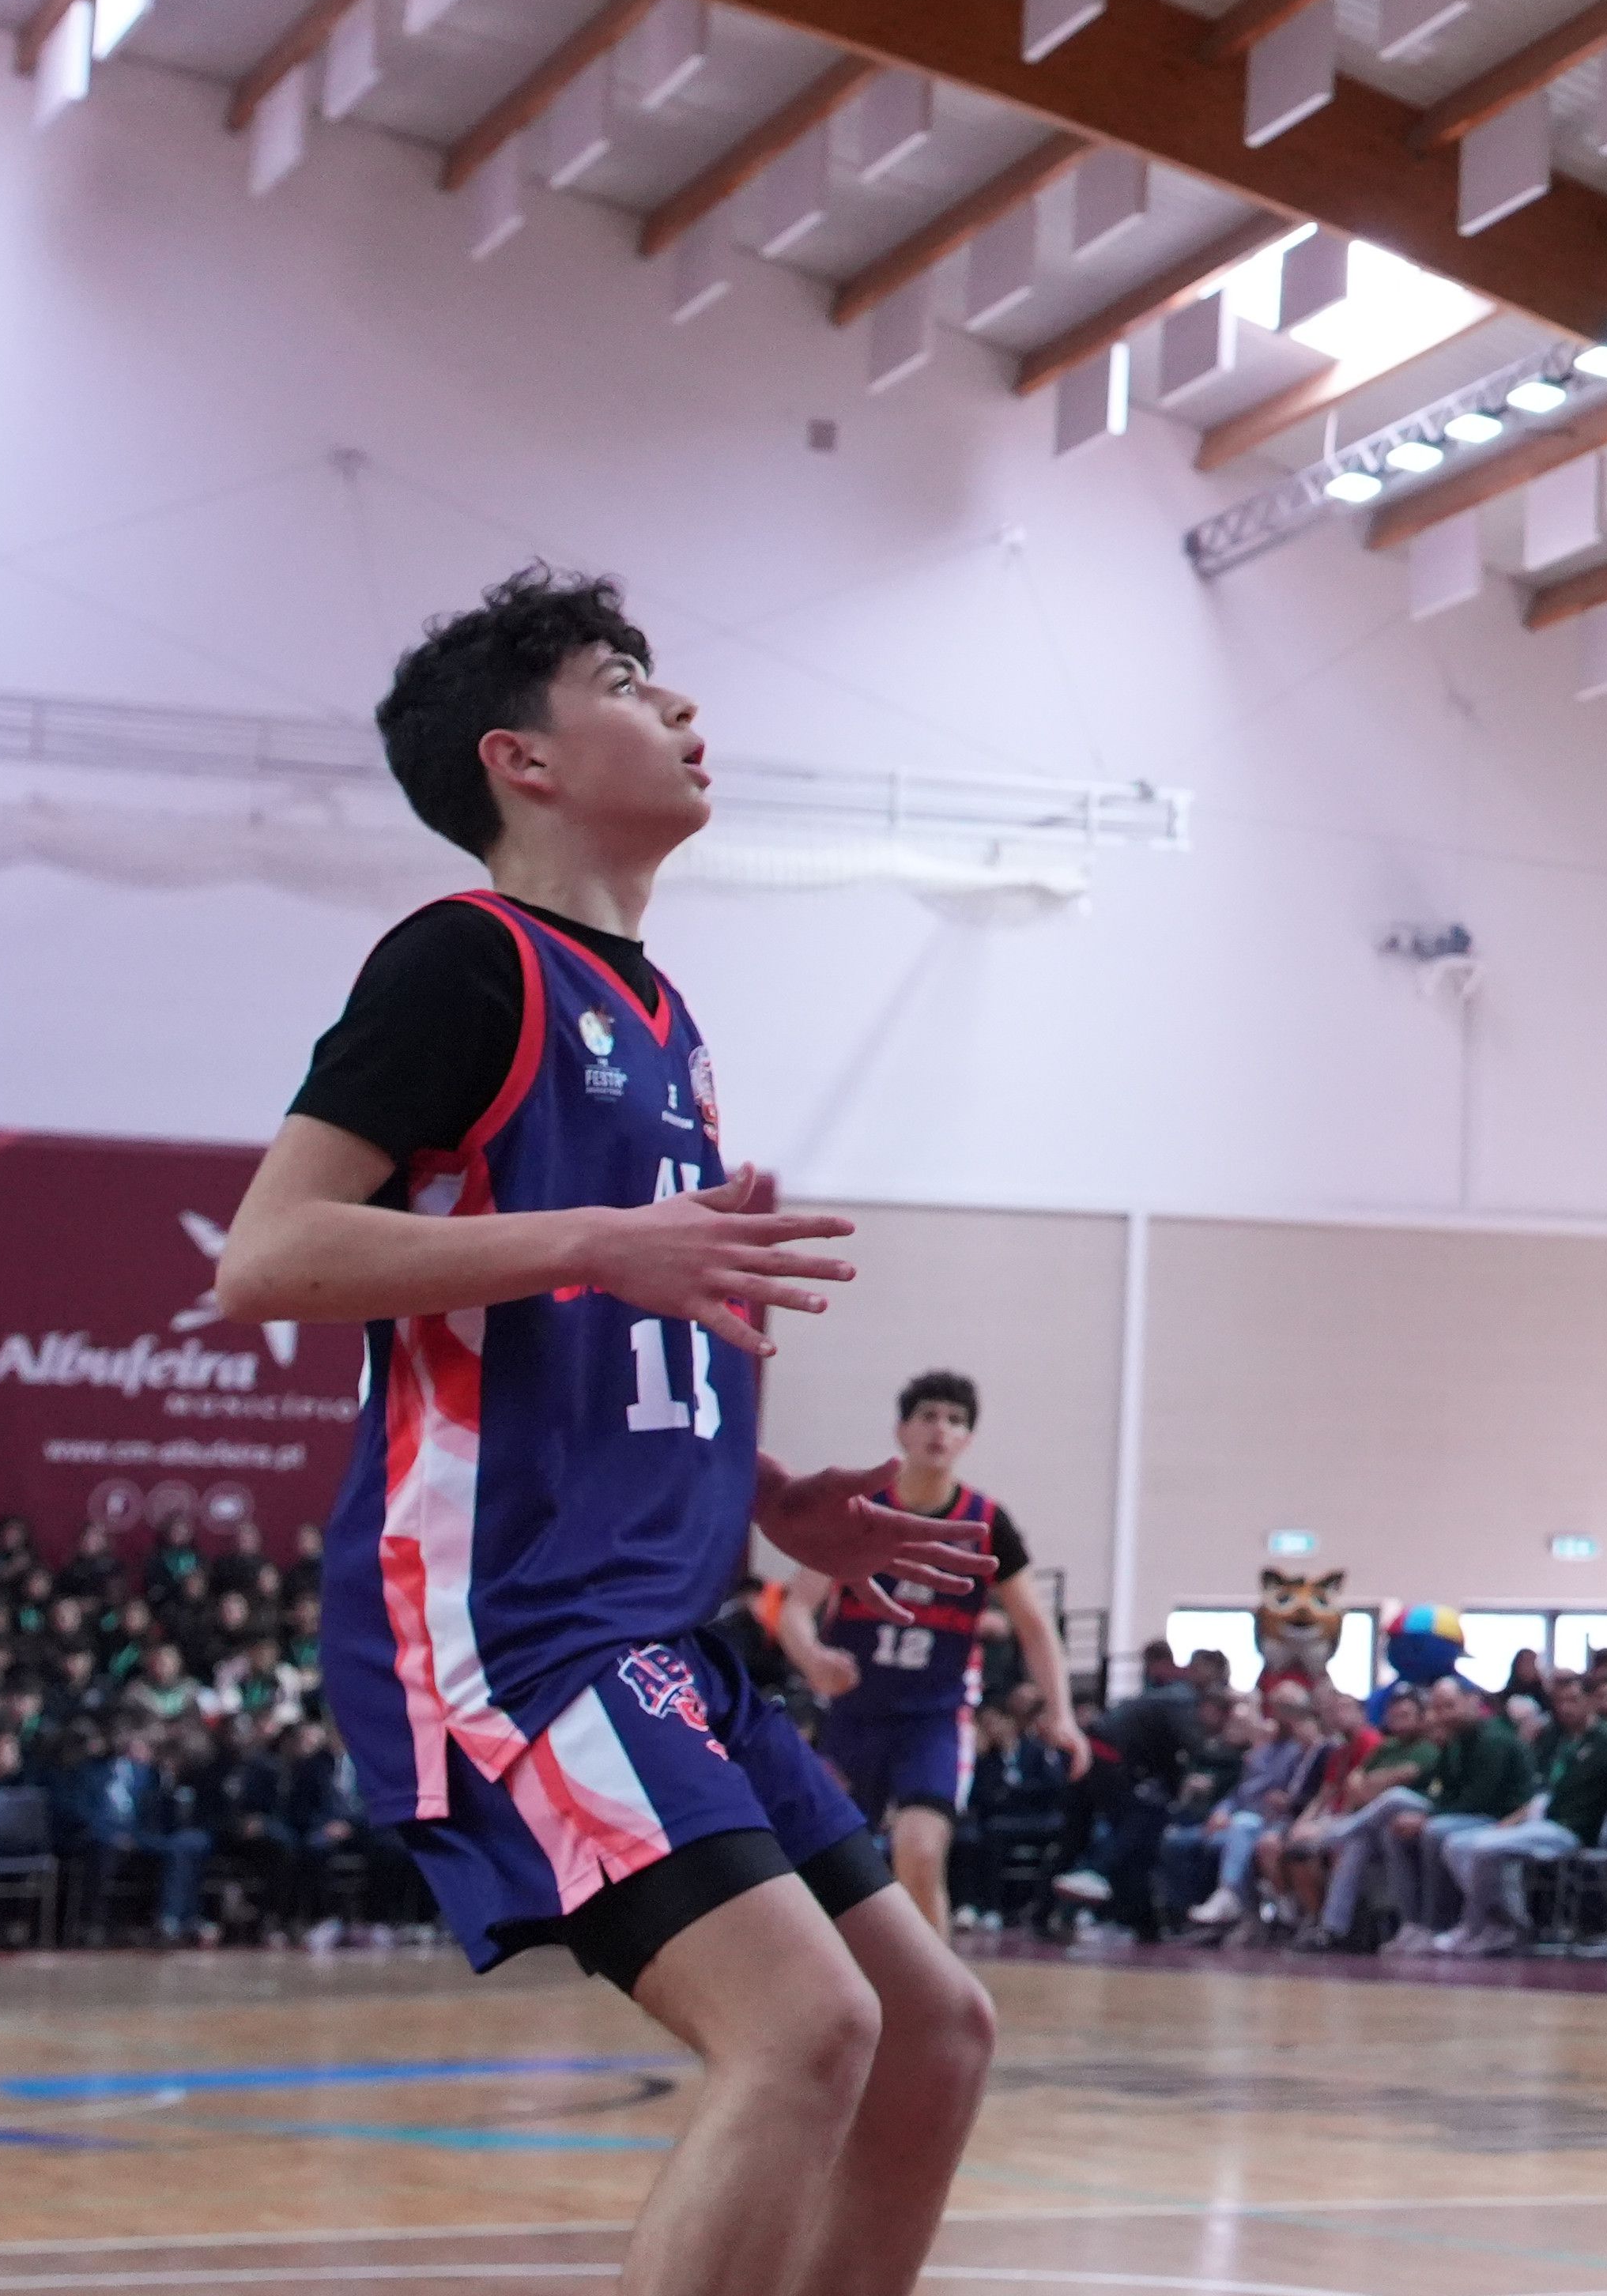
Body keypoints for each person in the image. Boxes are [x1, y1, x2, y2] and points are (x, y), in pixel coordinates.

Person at [209, 570, 998, 2296]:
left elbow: (626, 1332)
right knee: (804, 2025)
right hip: (521, 1618)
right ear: (525, 758)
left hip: (666, 1614)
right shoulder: (462, 957)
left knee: (934, 2028)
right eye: (628, 678)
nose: (683, 705)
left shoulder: (665, 1018)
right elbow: (270, 1255)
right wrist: (590, 1238)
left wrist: (782, 1498)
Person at [771, 1370, 1088, 1947]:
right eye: (929, 1416)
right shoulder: (860, 1512)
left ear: (967, 1439)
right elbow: (795, 1608)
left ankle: (935, 2007)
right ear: (902, 1430)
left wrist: (1060, 1712)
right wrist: (811, 1655)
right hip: (854, 1718)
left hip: (933, 1722)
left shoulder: (986, 1523)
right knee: (826, 1865)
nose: (941, 1429)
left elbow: (1036, 1628)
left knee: (918, 1854)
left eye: (955, 1420)